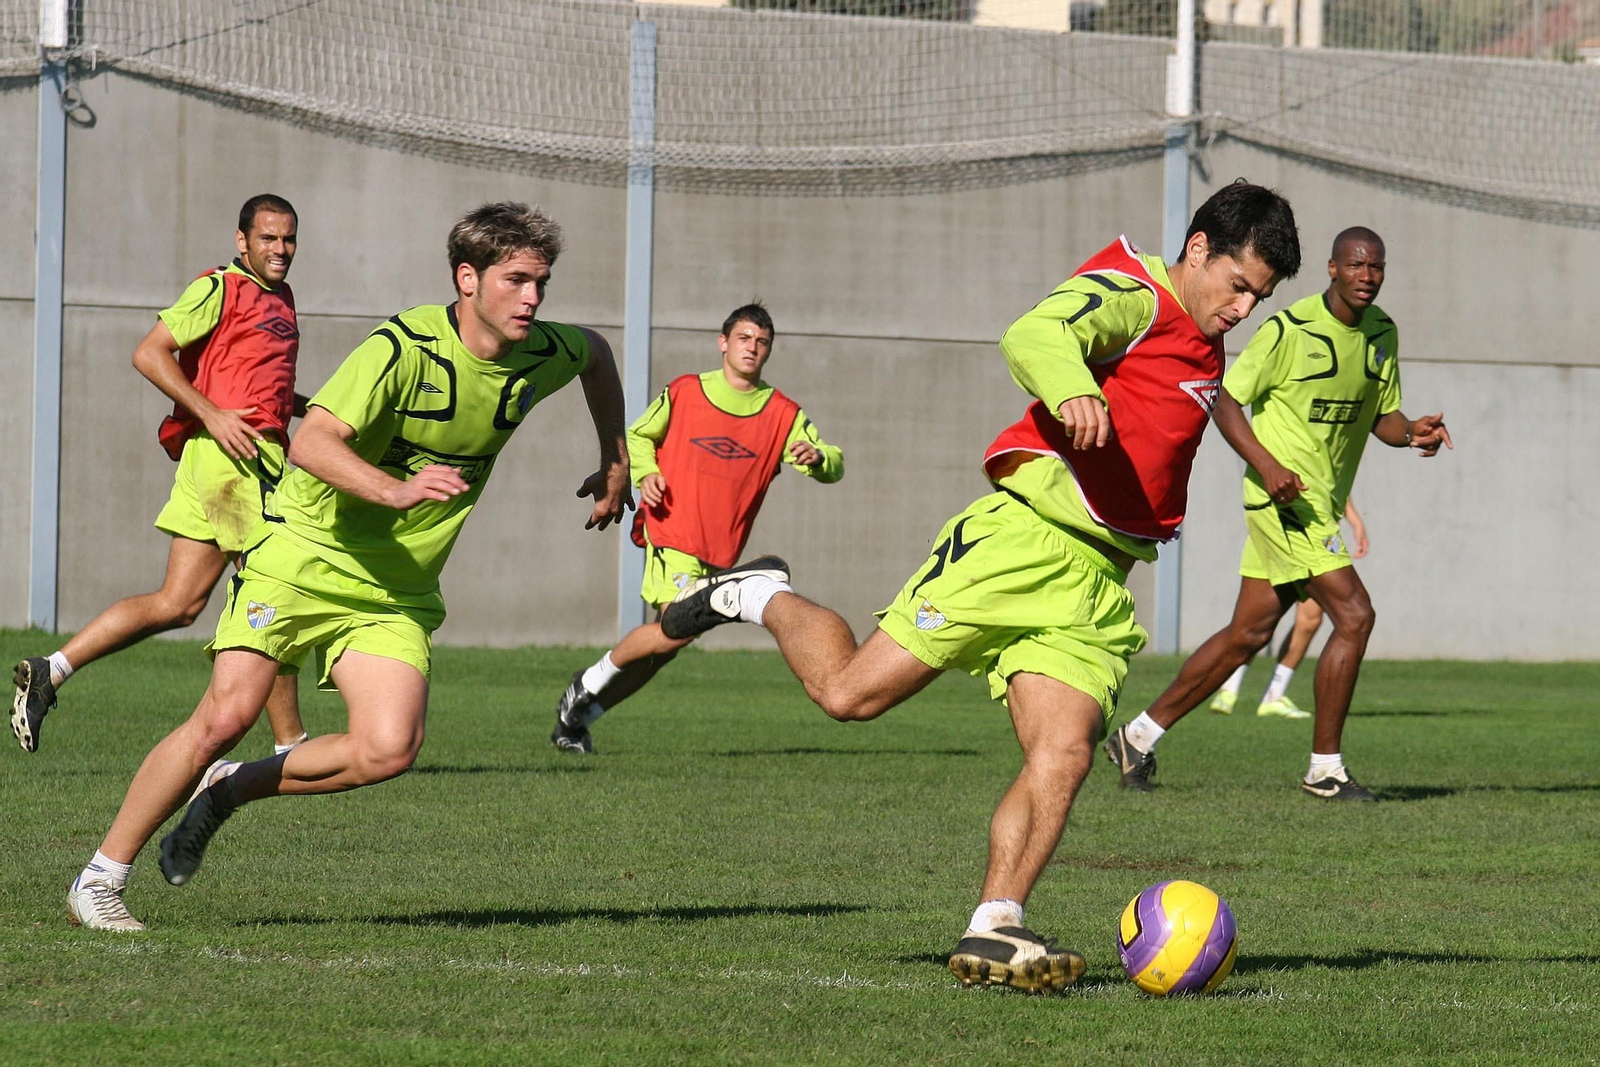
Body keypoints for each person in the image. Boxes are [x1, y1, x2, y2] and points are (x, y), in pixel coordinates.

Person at [655, 181, 1302, 992]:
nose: (1243, 307)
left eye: (1260, 296)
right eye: (1238, 285)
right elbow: (1035, 330)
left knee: (1063, 753)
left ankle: (996, 922)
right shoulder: (1133, 291)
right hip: (1019, 544)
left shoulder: (1205, 342)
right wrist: (1068, 384)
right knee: (850, 696)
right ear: (1200, 248)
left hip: (1098, 581)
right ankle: (753, 594)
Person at [64, 201, 631, 931]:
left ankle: (229, 791)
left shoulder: (542, 350)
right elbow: (314, 444)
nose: (533, 298)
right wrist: (396, 488)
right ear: (468, 278)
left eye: (541, 283)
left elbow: (597, 354)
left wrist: (614, 459)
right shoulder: (401, 349)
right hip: (301, 551)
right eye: (517, 280)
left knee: (388, 747)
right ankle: (100, 878)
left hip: (394, 585)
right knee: (228, 713)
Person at [1104, 227, 1451, 802]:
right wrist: (1267, 466)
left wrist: (1412, 431)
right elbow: (1224, 397)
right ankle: (1325, 769)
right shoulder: (1290, 330)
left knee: (1248, 634)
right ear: (1333, 269)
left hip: (1322, 507)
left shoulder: (1383, 333)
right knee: (1356, 616)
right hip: (1283, 502)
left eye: (1377, 267)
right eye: (1357, 264)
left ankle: (1137, 737)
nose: (1368, 275)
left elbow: (1381, 416)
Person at [12, 194, 310, 757]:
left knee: (179, 603)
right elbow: (150, 353)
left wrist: (304, 407)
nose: (280, 248)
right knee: (273, 585)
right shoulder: (219, 286)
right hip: (232, 461)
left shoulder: (282, 297)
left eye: (289, 238)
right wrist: (212, 414)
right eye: (268, 238)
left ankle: (51, 669)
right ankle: (290, 745)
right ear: (242, 240)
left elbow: (248, 379)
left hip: (242, 456)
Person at [550, 303, 843, 754]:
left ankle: (581, 716)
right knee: (676, 628)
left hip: (720, 549)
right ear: (723, 343)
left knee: (665, 646)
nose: (753, 348)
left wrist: (819, 457)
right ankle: (584, 685)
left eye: (762, 342)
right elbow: (639, 435)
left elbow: (832, 464)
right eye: (744, 338)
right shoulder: (686, 391)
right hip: (672, 529)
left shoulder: (782, 413)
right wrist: (645, 473)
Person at [1208, 497, 1368, 718]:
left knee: (1310, 618)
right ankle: (1228, 687)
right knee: (1256, 622)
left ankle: (1274, 695)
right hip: (1291, 530)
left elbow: (1334, 481)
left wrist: (1354, 520)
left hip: (1322, 533)